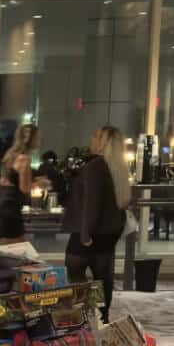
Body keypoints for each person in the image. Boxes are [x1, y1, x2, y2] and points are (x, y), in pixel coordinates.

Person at [62, 126, 130, 323]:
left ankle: (86, 314)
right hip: (109, 231)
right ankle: (102, 314)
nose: (91, 140)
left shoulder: (95, 166)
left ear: (102, 142)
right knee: (103, 276)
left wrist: (85, 233)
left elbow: (91, 202)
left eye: (94, 136)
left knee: (74, 272)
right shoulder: (117, 166)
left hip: (90, 230)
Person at [0, 123, 38, 243]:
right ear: (31, 139)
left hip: (2, 204)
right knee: (15, 251)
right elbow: (24, 188)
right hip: (11, 208)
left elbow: (8, 180)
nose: (39, 141)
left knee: (12, 248)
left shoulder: (10, 154)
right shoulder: (24, 159)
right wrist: (39, 184)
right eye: (38, 137)